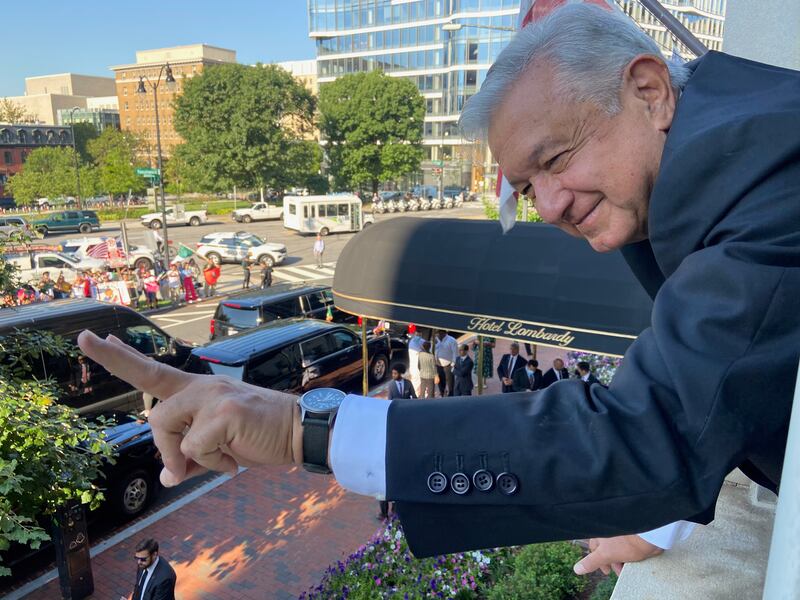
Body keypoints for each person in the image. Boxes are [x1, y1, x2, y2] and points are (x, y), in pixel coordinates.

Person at [78, 2, 800, 578]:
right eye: (523, 187)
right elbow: (720, 393)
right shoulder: (726, 146)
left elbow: (652, 431)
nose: (545, 206)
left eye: (554, 157)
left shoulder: (767, 184)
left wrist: (305, 430)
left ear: (648, 90)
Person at [433, 330, 458, 397]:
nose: (438, 335)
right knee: (440, 382)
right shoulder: (435, 340)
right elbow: (432, 351)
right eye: (437, 333)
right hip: (438, 365)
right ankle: (442, 393)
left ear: (444, 333)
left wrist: (452, 365)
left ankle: (451, 395)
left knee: (450, 383)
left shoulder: (452, 340)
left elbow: (455, 354)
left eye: (439, 333)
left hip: (448, 365)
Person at [406, 325, 425, 396]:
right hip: (420, 367)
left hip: (413, 367)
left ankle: (415, 396)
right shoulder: (422, 341)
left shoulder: (411, 341)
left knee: (415, 383)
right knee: (420, 383)